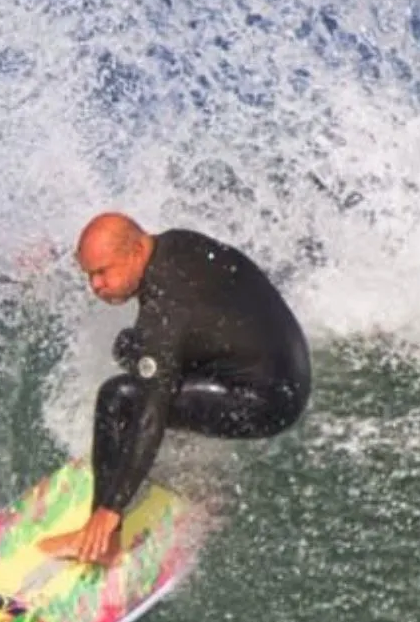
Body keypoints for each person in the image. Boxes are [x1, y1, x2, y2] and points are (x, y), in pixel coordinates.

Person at [40, 213, 310, 564]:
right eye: (89, 275)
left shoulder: (166, 311)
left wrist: (110, 508)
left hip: (266, 401)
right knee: (131, 348)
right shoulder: (174, 244)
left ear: (137, 250)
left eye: (103, 272)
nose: (96, 286)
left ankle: (102, 540)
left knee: (119, 398)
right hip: (285, 364)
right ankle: (173, 466)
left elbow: (149, 414)